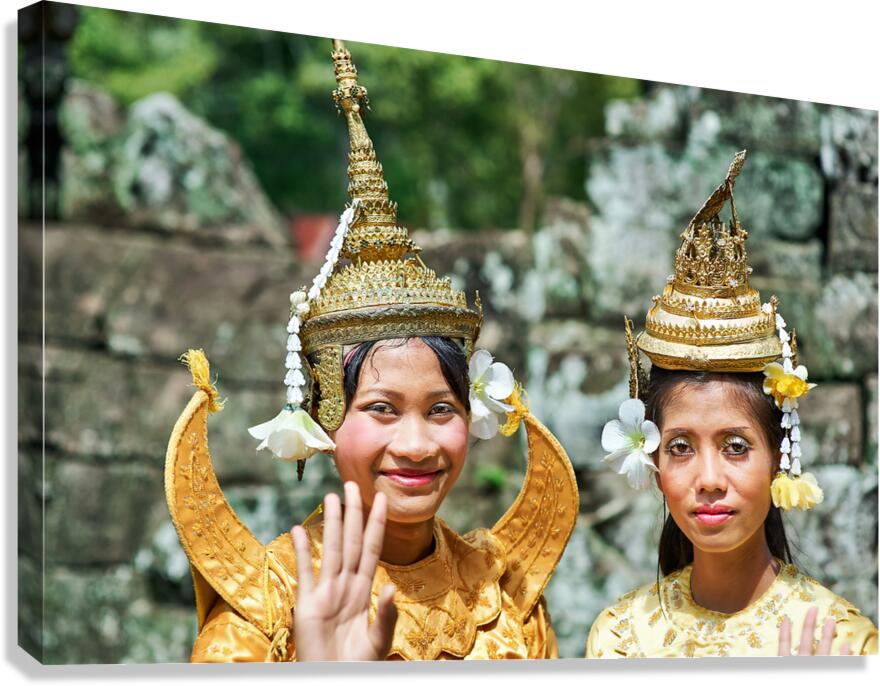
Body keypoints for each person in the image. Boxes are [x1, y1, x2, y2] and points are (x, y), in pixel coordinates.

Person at [165, 40, 578, 662]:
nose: (416, 445)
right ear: (327, 418)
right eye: (382, 409)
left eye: (441, 410)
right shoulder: (266, 607)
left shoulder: (506, 596)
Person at [586, 151, 877, 658]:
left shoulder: (840, 643)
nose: (709, 478)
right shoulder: (619, 640)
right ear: (653, 463)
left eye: (736, 447)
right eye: (679, 447)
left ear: (779, 456)